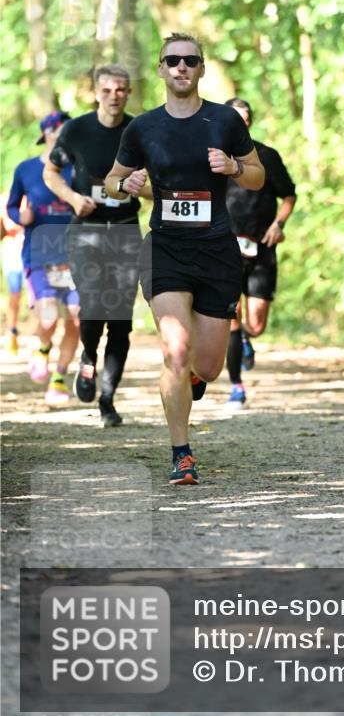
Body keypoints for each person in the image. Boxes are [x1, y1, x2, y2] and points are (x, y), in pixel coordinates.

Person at [104, 32, 264, 485]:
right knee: (175, 350)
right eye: (172, 60)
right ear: (160, 69)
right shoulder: (143, 128)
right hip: (166, 249)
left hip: (216, 251)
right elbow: (112, 180)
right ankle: (182, 453)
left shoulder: (224, 121)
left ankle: (192, 380)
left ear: (201, 69)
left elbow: (257, 176)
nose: (181, 67)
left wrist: (234, 167)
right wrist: (127, 185)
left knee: (207, 366)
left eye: (190, 60)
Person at [44, 65, 149, 427]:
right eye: (107, 90)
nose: (114, 96)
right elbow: (50, 172)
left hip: (125, 232)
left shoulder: (139, 131)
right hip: (86, 232)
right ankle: (88, 355)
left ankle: (107, 400)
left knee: (120, 320)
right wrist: (74, 198)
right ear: (95, 93)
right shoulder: (77, 130)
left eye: (120, 90)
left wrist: (141, 187)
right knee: (92, 306)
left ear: (129, 93)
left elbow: (157, 187)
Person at [224, 98, 297, 410]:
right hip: (224, 249)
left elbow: (289, 195)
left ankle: (245, 338)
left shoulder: (266, 156)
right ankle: (236, 387)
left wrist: (278, 224)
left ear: (250, 122)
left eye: (245, 118)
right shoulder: (212, 157)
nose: (240, 124)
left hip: (261, 248)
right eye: (234, 118)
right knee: (232, 317)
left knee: (255, 325)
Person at [6, 112, 80, 404]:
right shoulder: (26, 169)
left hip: (73, 257)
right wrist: (19, 216)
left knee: (77, 316)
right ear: (46, 134)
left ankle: (58, 378)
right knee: (48, 316)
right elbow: (12, 206)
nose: (62, 136)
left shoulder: (79, 168)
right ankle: (43, 348)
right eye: (57, 131)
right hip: (39, 256)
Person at [1, 194, 24, 354]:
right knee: (14, 294)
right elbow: (7, 226)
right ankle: (12, 332)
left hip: (33, 248)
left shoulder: (33, 196)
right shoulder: (5, 199)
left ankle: (43, 337)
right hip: (12, 250)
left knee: (40, 296)